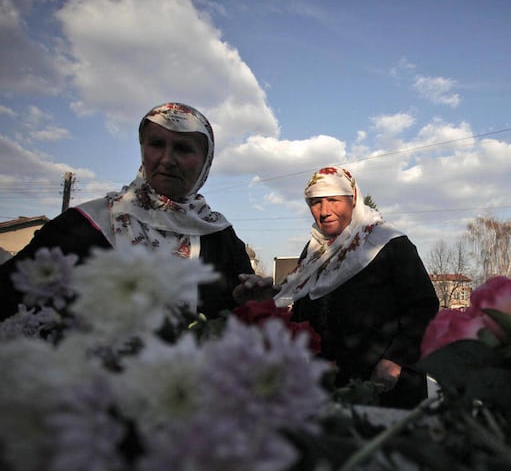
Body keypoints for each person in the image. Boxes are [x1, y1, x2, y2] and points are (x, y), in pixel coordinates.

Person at [0, 102, 255, 321]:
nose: (167, 159)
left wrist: (251, 304)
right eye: (157, 144)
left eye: (183, 148)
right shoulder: (86, 225)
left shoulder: (220, 237)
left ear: (206, 161)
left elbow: (236, 324)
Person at [274, 166, 439, 409]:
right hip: (327, 384)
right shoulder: (314, 253)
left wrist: (395, 359)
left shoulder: (387, 243)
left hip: (384, 383)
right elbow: (302, 307)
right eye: (316, 202)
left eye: (333, 200)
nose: (324, 211)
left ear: (353, 200)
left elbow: (423, 307)